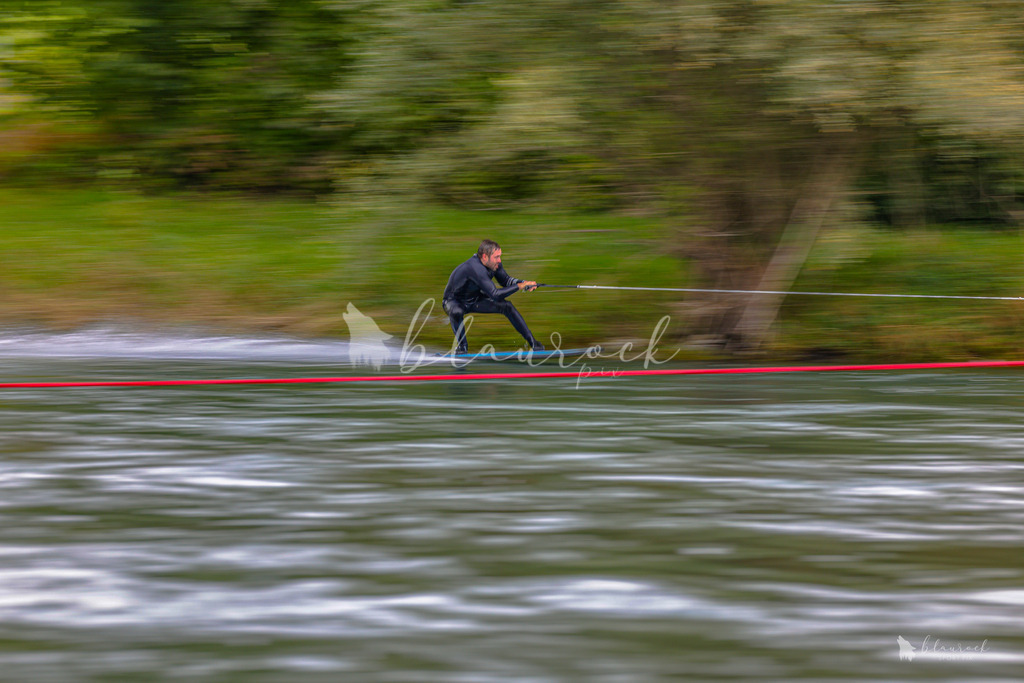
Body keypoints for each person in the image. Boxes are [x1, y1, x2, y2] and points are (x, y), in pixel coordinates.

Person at [442, 239, 543, 354]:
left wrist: (525, 283)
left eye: (500, 256)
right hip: (453, 302)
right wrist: (520, 286)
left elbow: (506, 281)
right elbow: (495, 295)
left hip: (475, 299)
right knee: (457, 311)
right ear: (485, 257)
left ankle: (534, 343)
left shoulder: (494, 264)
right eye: (496, 257)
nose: (499, 260)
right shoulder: (475, 268)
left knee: (507, 306)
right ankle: (462, 348)